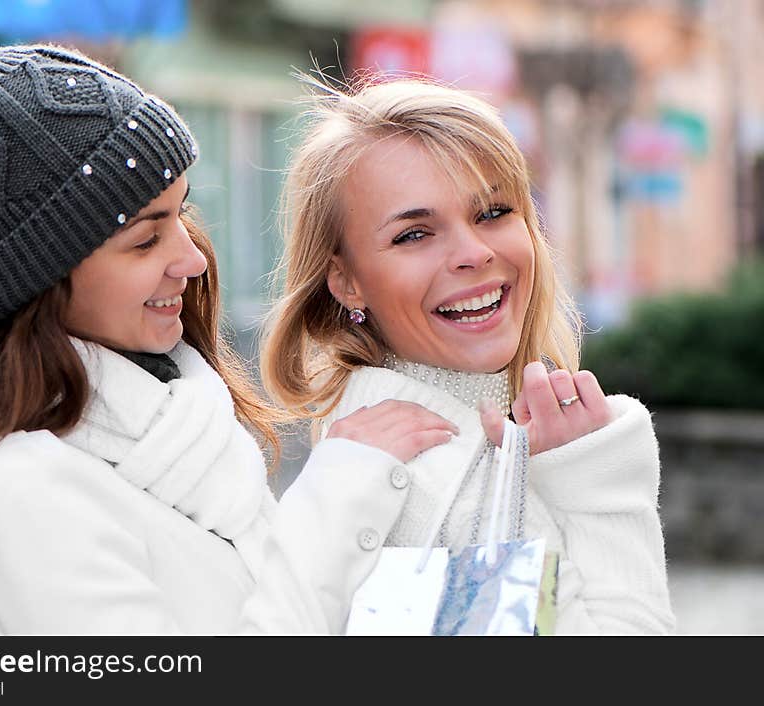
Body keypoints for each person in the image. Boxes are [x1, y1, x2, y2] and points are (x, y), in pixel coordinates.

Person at [0, 46, 459, 636]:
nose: (189, 257)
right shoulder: (25, 495)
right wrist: (335, 502)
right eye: (143, 240)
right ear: (43, 279)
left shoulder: (186, 431)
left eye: (181, 214)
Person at [260, 75, 676, 635]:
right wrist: (599, 488)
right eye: (414, 234)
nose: (475, 254)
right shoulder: (441, 474)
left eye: (493, 212)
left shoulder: (403, 450)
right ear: (345, 281)